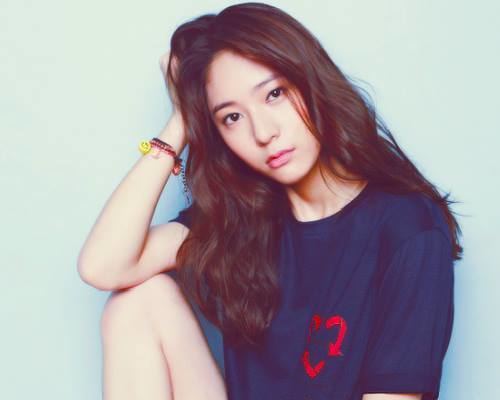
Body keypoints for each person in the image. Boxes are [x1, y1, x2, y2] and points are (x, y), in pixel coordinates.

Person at [77, 2, 463, 400]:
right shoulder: (241, 219)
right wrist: (181, 120)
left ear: (311, 81)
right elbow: (103, 266)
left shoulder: (408, 227)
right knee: (136, 300)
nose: (263, 133)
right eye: (231, 117)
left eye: (274, 94)